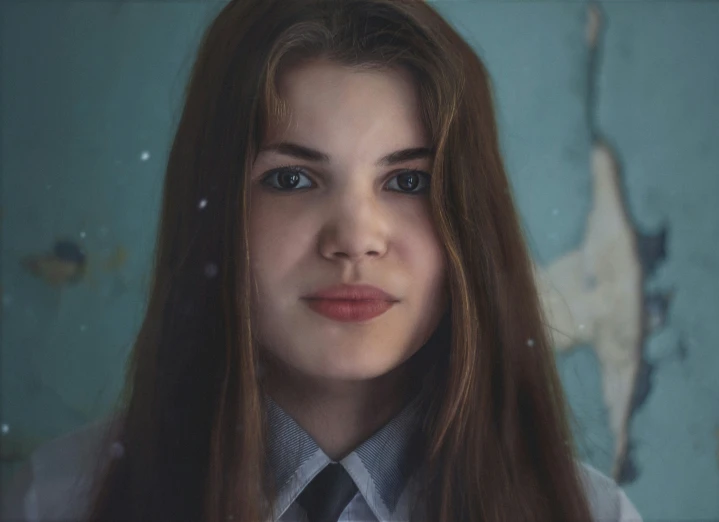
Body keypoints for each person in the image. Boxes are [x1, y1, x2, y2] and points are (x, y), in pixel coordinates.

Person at [1, 0, 644, 521]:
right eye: (292, 180)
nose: (356, 239)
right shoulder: (52, 505)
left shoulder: (591, 516)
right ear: (218, 217)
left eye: (409, 182)